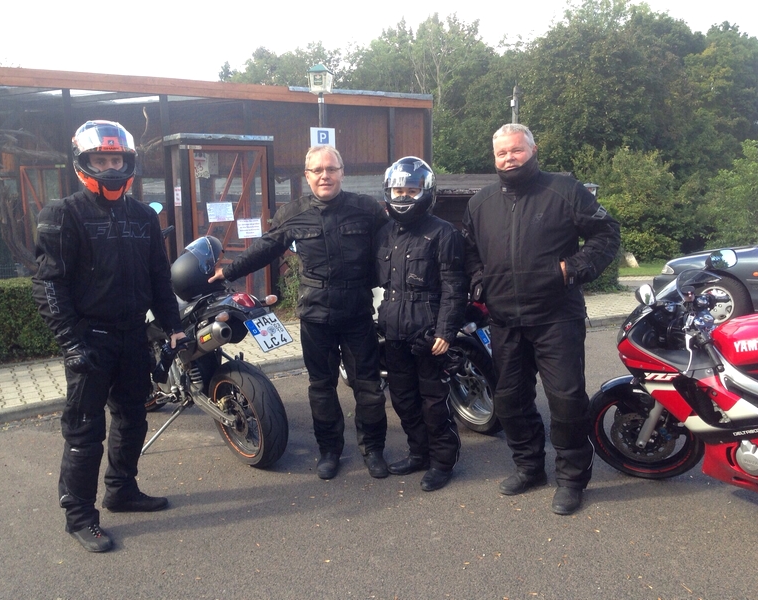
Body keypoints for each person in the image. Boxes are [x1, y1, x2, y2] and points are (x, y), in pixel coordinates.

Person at [32, 120, 186, 552]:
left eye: (116, 159)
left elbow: (159, 277)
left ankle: (122, 490)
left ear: (128, 161)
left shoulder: (143, 216)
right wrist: (70, 342)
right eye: (100, 160)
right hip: (90, 338)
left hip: (134, 335)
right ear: (83, 163)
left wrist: (173, 327)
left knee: (133, 418)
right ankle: (80, 517)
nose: (110, 167)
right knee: (84, 431)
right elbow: (48, 285)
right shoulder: (63, 214)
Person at [462, 123, 620, 515]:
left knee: (566, 402)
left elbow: (606, 233)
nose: (509, 158)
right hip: (504, 320)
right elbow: (468, 251)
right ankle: (529, 467)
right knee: (509, 401)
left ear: (533, 150)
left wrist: (572, 269)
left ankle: (571, 479)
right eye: (501, 153)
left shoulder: (565, 190)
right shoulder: (480, 202)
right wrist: (479, 281)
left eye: (516, 150)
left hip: (556, 318)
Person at [209, 145, 390, 480]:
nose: (325, 175)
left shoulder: (367, 209)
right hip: (316, 315)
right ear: (307, 176)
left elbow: (393, 245)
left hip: (357, 314)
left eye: (331, 169)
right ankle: (330, 451)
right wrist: (228, 271)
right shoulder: (292, 213)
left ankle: (373, 449)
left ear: (342, 172)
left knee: (368, 387)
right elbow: (265, 248)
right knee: (321, 387)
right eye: (317, 170)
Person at [375, 157, 466, 491]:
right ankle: (419, 453)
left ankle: (442, 462)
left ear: (426, 192)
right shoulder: (384, 233)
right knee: (403, 399)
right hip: (393, 331)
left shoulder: (443, 232)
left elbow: (454, 286)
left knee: (433, 402)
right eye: (398, 190)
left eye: (411, 190)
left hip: (428, 332)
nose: (403, 196)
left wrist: (445, 331)